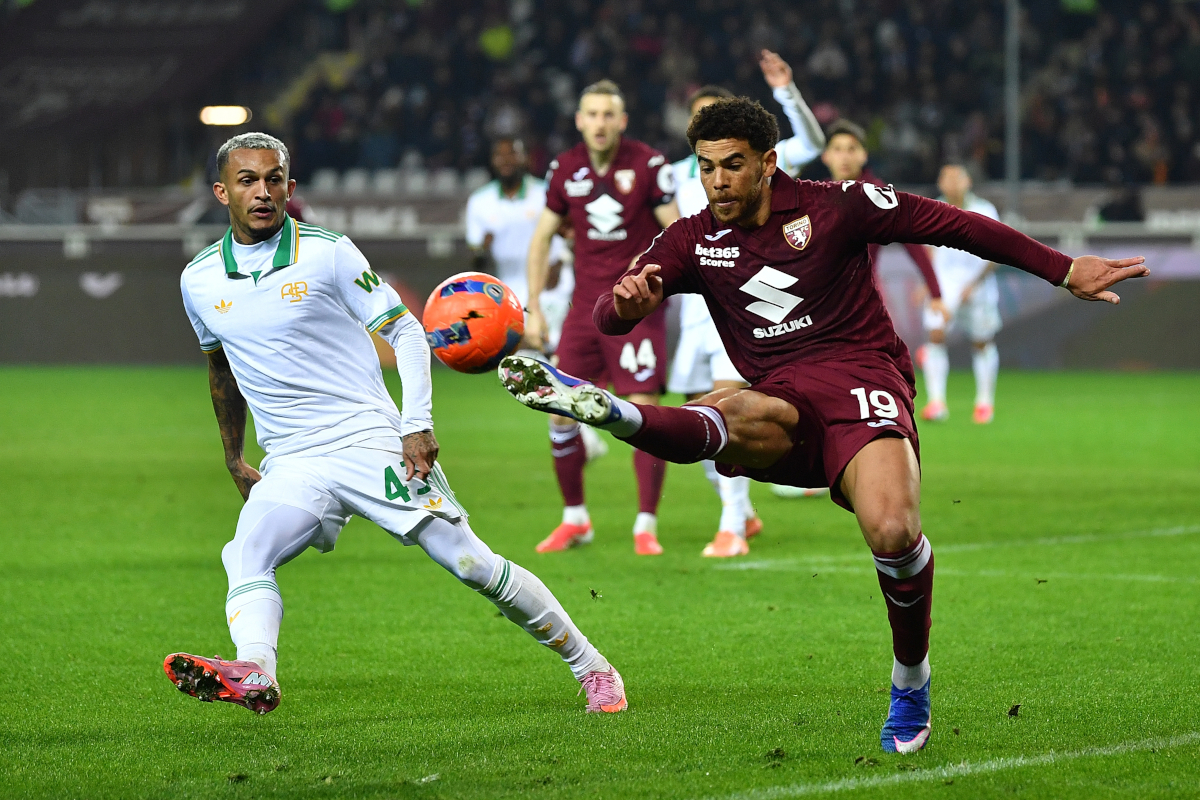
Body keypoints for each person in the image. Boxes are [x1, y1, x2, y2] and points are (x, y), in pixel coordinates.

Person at [498, 99, 1147, 751]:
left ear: (768, 162)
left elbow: (956, 226)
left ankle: (910, 678)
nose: (717, 181)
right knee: (728, 406)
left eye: (732, 165)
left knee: (893, 531)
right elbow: (613, 312)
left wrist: (1063, 269)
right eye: (705, 168)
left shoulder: (838, 206)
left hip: (864, 380)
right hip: (781, 402)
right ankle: (613, 412)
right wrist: (621, 306)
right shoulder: (693, 239)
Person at [165, 132, 626, 717]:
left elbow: (407, 330)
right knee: (245, 554)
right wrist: (233, 455)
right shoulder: (199, 280)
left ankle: (592, 667)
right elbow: (221, 370)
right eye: (247, 181)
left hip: (370, 438)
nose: (262, 192)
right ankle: (255, 668)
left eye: (273, 179)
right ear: (221, 192)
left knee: (469, 562)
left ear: (290, 186)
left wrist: (416, 423)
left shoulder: (328, 252)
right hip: (292, 459)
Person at [668, 50, 827, 557]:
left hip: (739, 305)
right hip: (693, 311)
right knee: (695, 420)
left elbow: (812, 143)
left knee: (724, 410)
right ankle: (745, 511)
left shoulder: (755, 166)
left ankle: (731, 526)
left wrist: (786, 92)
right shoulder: (672, 175)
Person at [522, 80, 681, 556]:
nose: (600, 123)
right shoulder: (564, 168)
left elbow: (675, 231)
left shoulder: (649, 164)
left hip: (636, 310)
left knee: (644, 411)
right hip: (583, 310)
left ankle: (645, 525)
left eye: (608, 115)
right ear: (579, 120)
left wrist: (659, 286)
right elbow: (541, 239)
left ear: (622, 121)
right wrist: (533, 310)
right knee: (557, 406)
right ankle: (575, 519)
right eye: (591, 114)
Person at [465, 138, 606, 458]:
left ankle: (578, 425)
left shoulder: (544, 191)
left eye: (511, 153)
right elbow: (476, 257)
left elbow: (561, 242)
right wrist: (480, 249)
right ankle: (582, 425)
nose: (505, 160)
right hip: (506, 294)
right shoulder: (480, 202)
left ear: (524, 158)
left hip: (551, 283)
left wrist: (547, 284)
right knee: (537, 359)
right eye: (499, 155)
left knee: (548, 352)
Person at [920, 165, 1003, 424]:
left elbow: (998, 253)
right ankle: (936, 403)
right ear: (940, 182)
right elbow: (928, 250)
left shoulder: (986, 211)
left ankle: (984, 404)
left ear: (968, 181)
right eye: (947, 177)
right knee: (935, 335)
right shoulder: (933, 208)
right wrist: (927, 283)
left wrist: (974, 284)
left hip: (978, 286)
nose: (953, 182)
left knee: (981, 342)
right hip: (944, 286)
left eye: (958, 177)